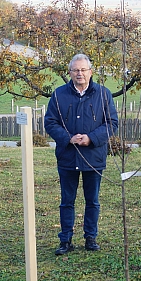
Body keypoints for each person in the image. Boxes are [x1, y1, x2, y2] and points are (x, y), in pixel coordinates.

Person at [44, 54, 119, 255]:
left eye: (83, 70)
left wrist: (91, 138)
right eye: (75, 70)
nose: (79, 73)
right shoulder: (59, 95)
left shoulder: (103, 94)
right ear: (70, 73)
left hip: (93, 157)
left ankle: (90, 237)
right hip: (67, 157)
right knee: (67, 200)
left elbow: (112, 123)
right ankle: (65, 239)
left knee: (92, 200)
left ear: (90, 72)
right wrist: (68, 137)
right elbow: (50, 122)